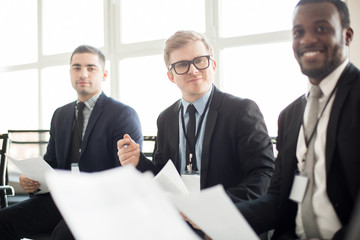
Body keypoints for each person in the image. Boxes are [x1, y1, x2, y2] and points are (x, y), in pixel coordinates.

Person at [236, 0, 359, 239]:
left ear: (347, 35)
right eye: (298, 32)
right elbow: (278, 200)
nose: (307, 40)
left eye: (321, 28)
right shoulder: (290, 115)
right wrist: (224, 217)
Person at [0, 45, 143, 239]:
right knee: (4, 220)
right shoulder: (60, 114)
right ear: (70, 72)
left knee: (63, 234)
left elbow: (127, 174)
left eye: (91, 68)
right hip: (61, 199)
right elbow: (51, 163)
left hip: (101, 203)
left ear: (104, 74)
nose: (83, 73)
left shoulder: (122, 114)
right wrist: (33, 181)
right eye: (76, 67)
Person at [118, 30, 274, 204]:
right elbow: (163, 176)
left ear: (213, 65)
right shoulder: (166, 118)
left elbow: (264, 175)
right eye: (182, 64)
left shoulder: (241, 110)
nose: (193, 70)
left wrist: (211, 208)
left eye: (200, 61)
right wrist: (138, 161)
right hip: (182, 221)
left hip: (228, 221)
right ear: (171, 76)